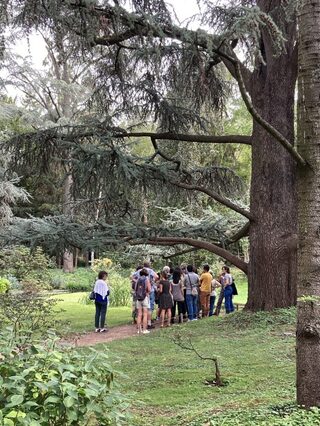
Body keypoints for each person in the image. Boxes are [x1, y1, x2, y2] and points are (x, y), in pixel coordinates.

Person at [135, 268, 151, 334]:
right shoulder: (146, 279)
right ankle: (144, 330)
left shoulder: (138, 279)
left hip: (138, 298)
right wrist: (147, 292)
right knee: (145, 314)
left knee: (139, 315)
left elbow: (135, 288)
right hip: (145, 297)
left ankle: (139, 330)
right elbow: (149, 289)